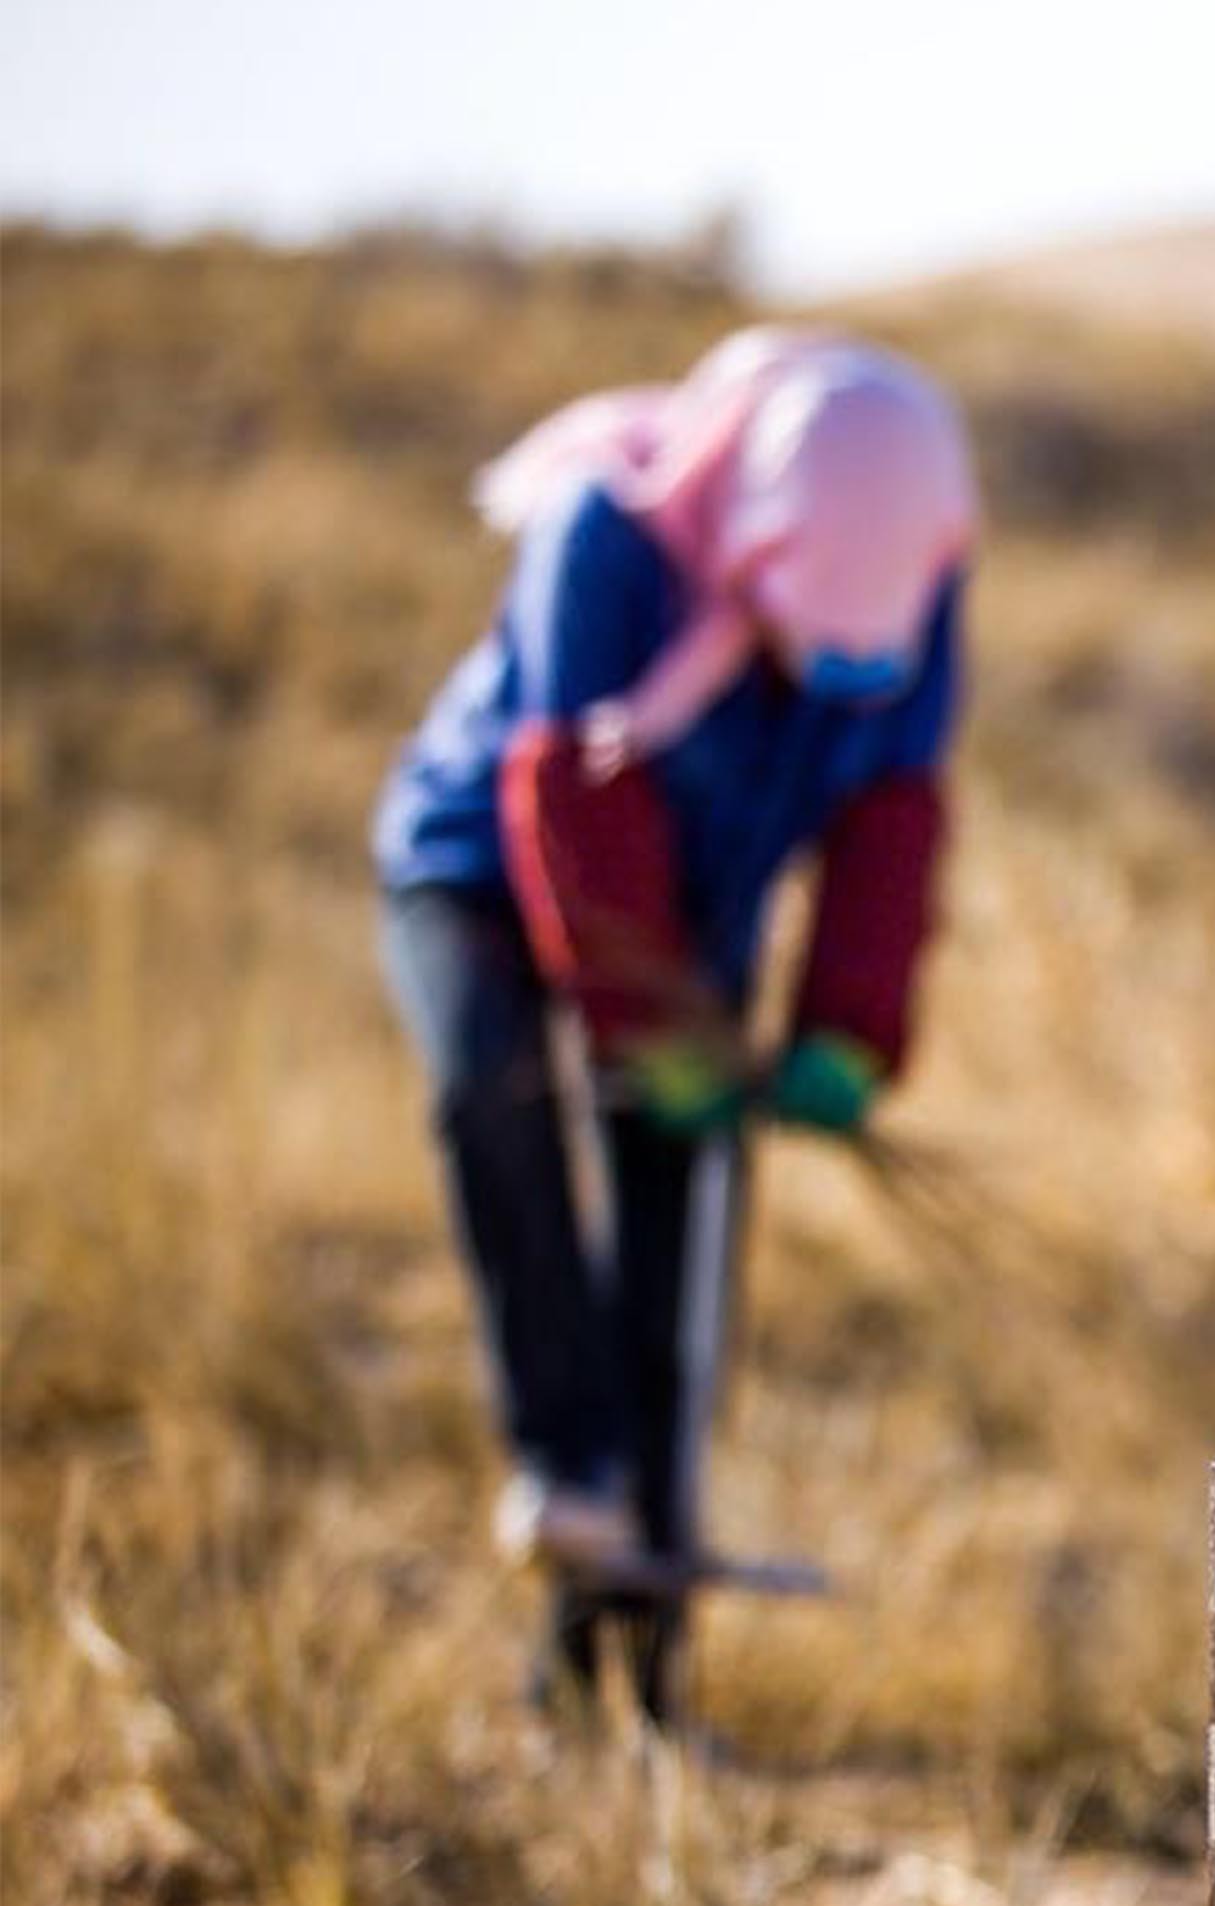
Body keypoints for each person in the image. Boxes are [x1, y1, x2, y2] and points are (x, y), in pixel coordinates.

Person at [369, 327, 974, 1687]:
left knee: (681, 1229)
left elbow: (892, 807)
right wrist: (650, 1024)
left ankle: (627, 1656)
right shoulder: (609, 534)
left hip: (698, 914)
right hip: (484, 865)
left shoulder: (921, 571)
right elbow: (571, 790)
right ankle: (566, 1462)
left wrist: (846, 1026)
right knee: (491, 1086)